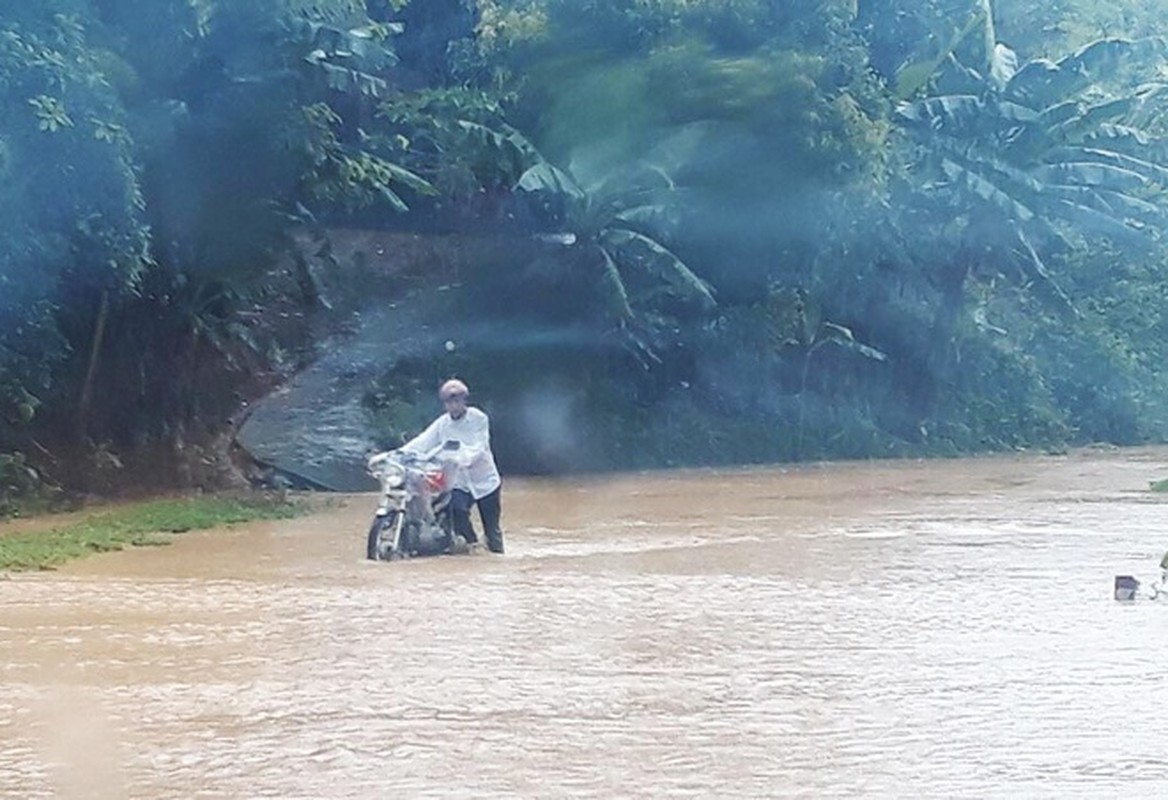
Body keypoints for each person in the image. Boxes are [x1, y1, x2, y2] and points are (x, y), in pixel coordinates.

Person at [401, 378, 504, 553]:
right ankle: (472, 544)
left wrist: (463, 458)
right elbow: (423, 441)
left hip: (485, 482)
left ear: (465, 400)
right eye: (449, 402)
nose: (453, 406)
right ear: (445, 404)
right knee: (457, 512)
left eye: (457, 401)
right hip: (459, 482)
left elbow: (479, 445)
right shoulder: (443, 424)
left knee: (493, 531)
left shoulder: (478, 418)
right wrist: (400, 453)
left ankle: (494, 551)